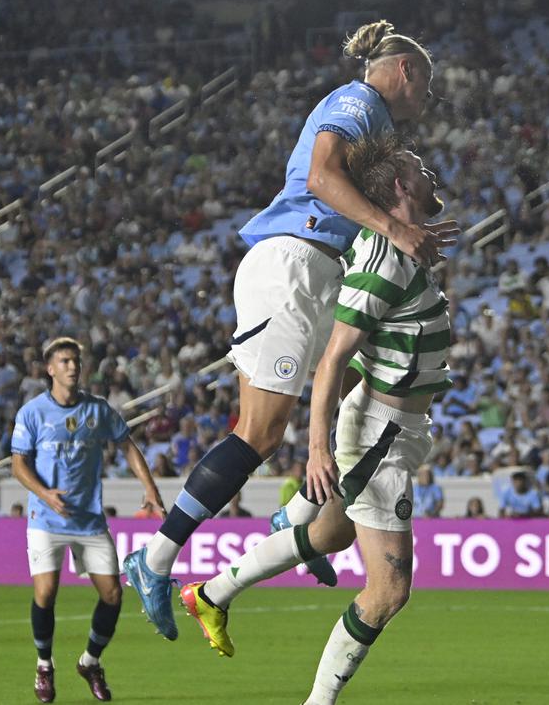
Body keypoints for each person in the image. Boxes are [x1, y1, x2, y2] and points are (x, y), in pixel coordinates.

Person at [124, 20, 458, 640]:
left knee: (368, 374)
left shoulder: (378, 125)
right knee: (260, 431)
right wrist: (394, 228)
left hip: (318, 273)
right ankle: (156, 559)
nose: (426, 101)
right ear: (406, 72)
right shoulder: (357, 102)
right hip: (292, 264)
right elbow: (320, 179)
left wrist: (405, 228)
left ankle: (295, 523)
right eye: (427, 87)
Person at [178, 135, 450, 704]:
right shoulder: (384, 262)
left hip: (395, 429)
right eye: (418, 168)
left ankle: (214, 592)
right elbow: (331, 363)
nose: (430, 171)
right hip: (381, 433)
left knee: (328, 534)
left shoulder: (400, 247)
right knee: (389, 589)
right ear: (401, 186)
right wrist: (317, 449)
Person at [11, 338, 166, 703]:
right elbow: (18, 463)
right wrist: (45, 493)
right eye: (64, 361)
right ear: (50, 368)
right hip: (45, 518)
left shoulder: (98, 410)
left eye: (75, 361)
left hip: (88, 520)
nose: (72, 366)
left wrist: (150, 487)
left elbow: (127, 444)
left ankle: (90, 662)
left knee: (112, 595)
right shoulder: (32, 413)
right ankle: (45, 665)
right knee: (46, 593)